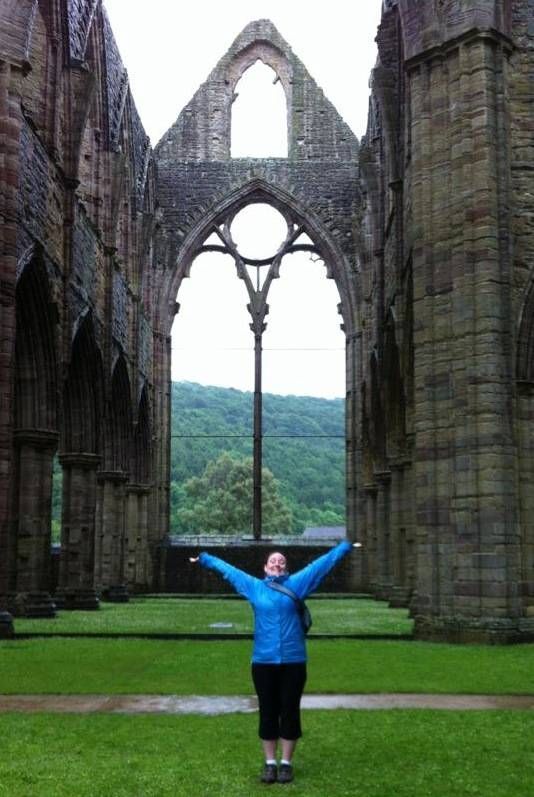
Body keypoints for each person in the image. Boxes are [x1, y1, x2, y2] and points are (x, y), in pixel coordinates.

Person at [189, 539, 360, 784]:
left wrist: (344, 547)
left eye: (281, 561)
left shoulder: (297, 584)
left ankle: (286, 763)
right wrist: (205, 558)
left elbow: (321, 565)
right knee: (268, 711)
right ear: (265, 567)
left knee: (290, 710)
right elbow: (229, 571)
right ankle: (270, 763)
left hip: (293, 660)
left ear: (285, 568)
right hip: (263, 661)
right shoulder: (254, 587)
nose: (277, 564)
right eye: (273, 561)